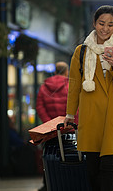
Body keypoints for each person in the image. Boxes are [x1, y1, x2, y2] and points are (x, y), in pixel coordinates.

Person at [64, 5, 113, 191]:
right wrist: (70, 113)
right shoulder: (82, 51)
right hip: (91, 114)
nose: (105, 28)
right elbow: (75, 85)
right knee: (92, 167)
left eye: (110, 25)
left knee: (108, 166)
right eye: (102, 23)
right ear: (94, 23)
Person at [36, 61, 76, 191]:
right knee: (69, 155)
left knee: (49, 156)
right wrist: (71, 124)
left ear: (54, 71)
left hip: (49, 131)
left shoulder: (44, 86)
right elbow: (76, 106)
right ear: (66, 72)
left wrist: (49, 123)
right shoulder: (71, 85)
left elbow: (40, 106)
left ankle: (48, 183)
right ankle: (67, 182)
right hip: (68, 129)